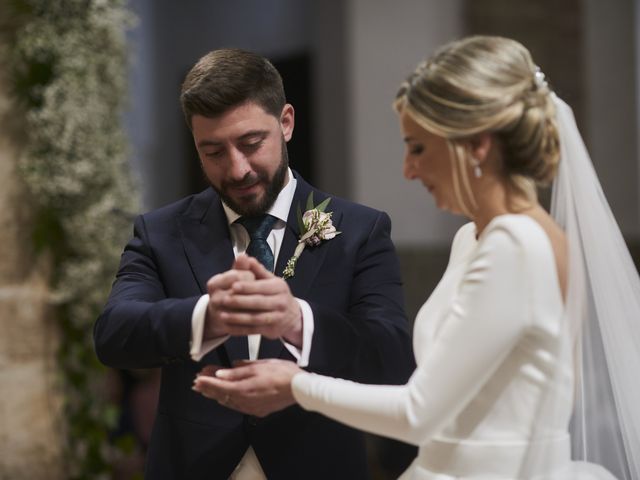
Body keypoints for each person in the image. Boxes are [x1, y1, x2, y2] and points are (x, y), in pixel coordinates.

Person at [193, 36, 640, 479]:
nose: (408, 169)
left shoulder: (517, 244)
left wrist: (293, 385)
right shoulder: (475, 238)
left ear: (477, 144)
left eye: (419, 147)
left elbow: (420, 411)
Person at [94, 48, 416, 479]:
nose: (237, 169)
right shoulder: (161, 232)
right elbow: (115, 334)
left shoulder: (360, 230)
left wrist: (296, 320)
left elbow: (391, 355)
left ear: (285, 122)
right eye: (213, 152)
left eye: (251, 143)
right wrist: (208, 315)